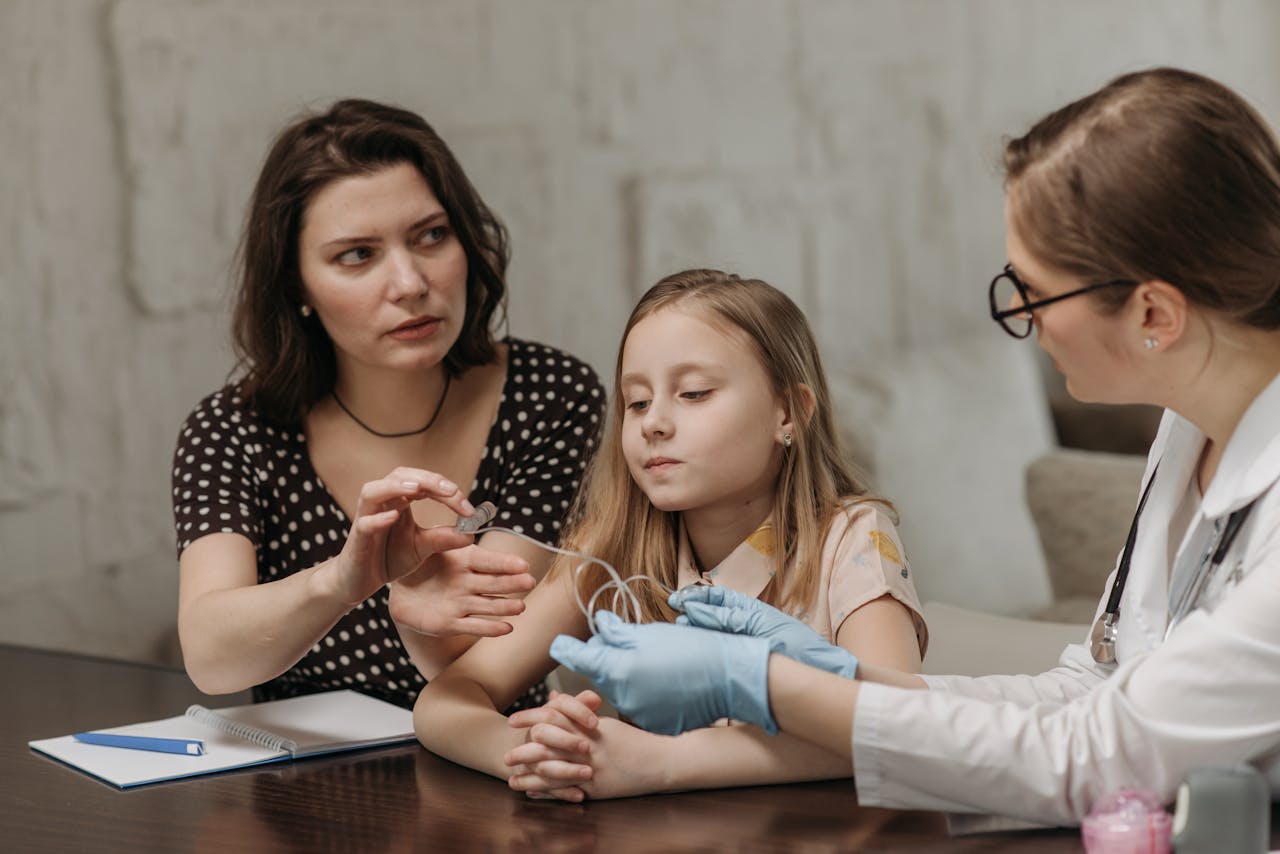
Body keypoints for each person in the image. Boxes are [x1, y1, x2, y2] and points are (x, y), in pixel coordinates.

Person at [551, 67, 1280, 827]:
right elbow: (1091, 686)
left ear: (1153, 313)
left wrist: (762, 683)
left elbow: (1095, 753)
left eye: (1034, 292)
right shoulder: (1189, 424)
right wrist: (846, 683)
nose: (1023, 317)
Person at [415, 268, 927, 800]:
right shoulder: (610, 547)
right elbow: (447, 701)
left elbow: (900, 726)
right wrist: (536, 757)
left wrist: (665, 762)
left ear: (790, 412)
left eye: (694, 393)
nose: (652, 423)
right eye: (636, 401)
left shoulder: (852, 539)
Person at [171, 99, 605, 710]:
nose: (410, 283)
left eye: (432, 236)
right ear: (296, 285)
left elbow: (491, 659)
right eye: (358, 255)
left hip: (495, 764)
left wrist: (420, 613)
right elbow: (212, 659)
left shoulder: (549, 395)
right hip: (298, 781)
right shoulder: (232, 430)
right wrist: (343, 580)